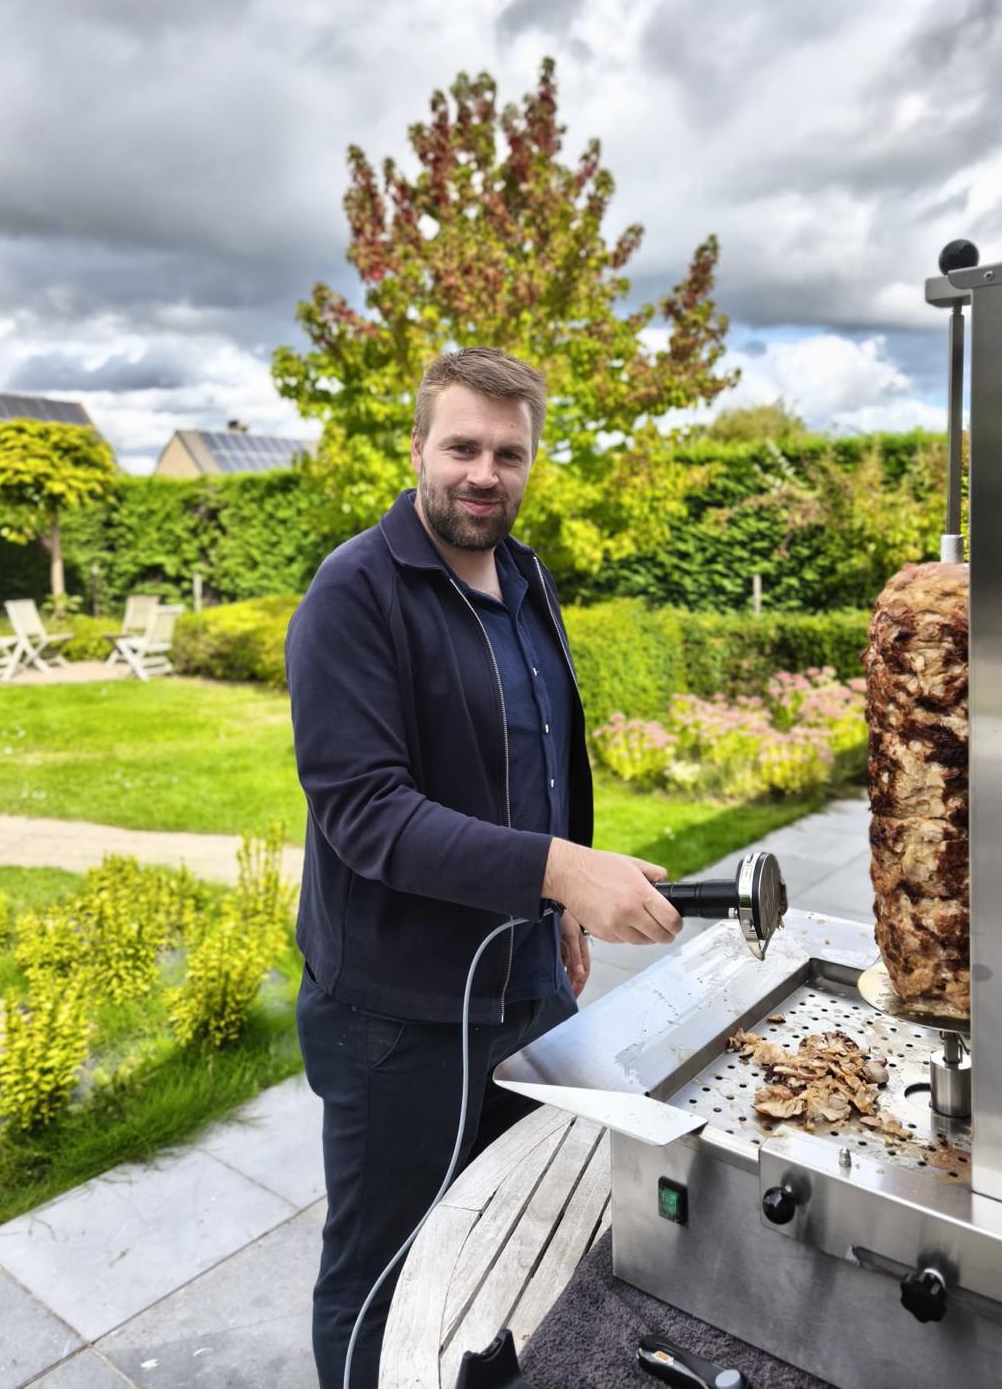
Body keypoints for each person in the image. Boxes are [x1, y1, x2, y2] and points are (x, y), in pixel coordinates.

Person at [286, 346, 683, 1387]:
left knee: (515, 1233)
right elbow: (367, 816)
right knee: (383, 1270)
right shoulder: (352, 595)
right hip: (397, 1016)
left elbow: (545, 746)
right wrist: (559, 869)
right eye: (462, 445)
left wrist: (559, 906)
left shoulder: (524, 573)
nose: (483, 472)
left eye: (509, 453)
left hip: (529, 984)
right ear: (417, 447)